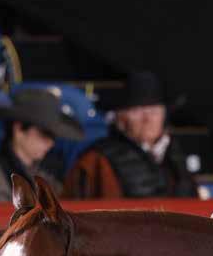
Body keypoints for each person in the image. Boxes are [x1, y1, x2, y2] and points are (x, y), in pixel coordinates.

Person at [62, 71, 198, 199]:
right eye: (137, 111)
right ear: (120, 118)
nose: (148, 119)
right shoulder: (95, 161)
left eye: (154, 111)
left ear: (164, 115)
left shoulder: (177, 157)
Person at [0, 88, 84, 202]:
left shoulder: (49, 169)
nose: (51, 143)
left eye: (53, 136)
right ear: (19, 129)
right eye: (45, 133)